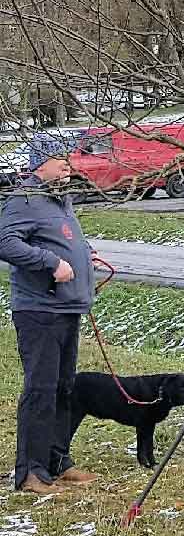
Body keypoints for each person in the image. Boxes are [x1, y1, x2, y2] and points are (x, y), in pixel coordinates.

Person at [0, 133, 99, 494]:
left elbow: (58, 238)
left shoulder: (59, 200)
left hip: (67, 306)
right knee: (40, 390)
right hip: (39, 310)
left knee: (64, 388)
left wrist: (83, 255)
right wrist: (51, 261)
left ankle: (58, 462)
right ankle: (30, 473)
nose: (70, 167)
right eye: (63, 162)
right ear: (42, 163)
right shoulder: (25, 198)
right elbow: (5, 242)